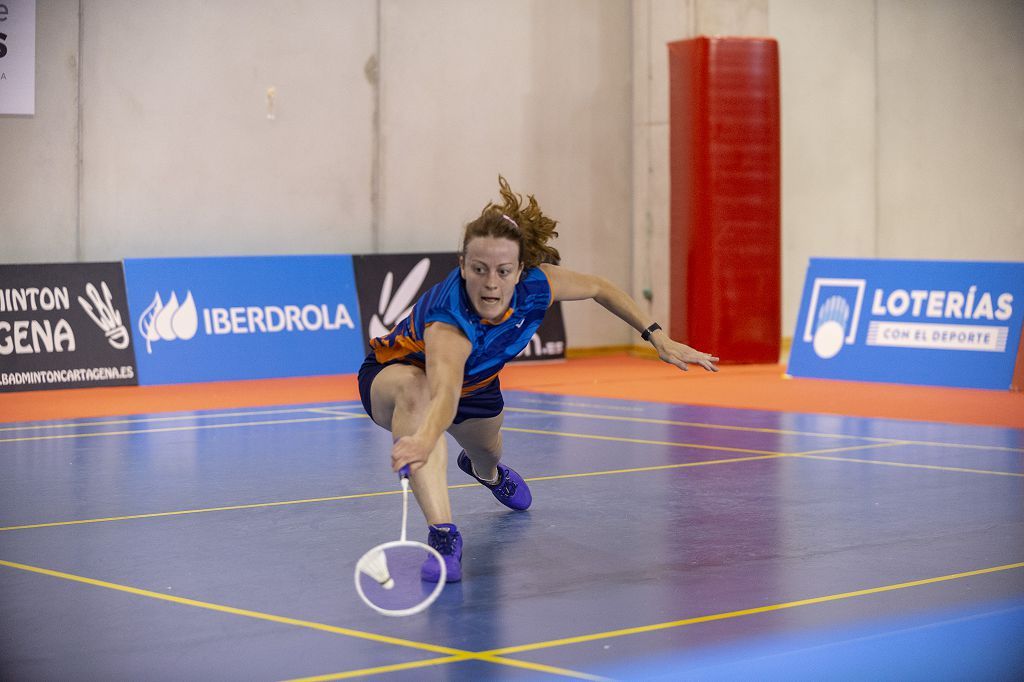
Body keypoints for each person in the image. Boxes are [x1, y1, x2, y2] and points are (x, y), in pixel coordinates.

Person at [358, 176, 718, 582]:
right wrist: (424, 440)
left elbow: (600, 288)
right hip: (397, 375)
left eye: (502, 270)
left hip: (479, 386)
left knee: (488, 454)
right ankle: (444, 535)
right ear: (462, 265)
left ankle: (487, 474)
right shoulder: (450, 321)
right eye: (478, 269)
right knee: (416, 392)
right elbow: (443, 395)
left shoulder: (538, 285)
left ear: (520, 271)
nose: (490, 283)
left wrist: (657, 336)